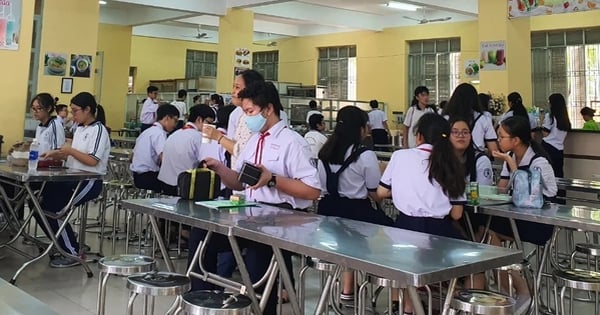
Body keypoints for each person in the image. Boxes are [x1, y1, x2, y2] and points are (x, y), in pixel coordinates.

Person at [204, 81, 320, 314]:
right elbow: (240, 181)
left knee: (259, 268)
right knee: (204, 239)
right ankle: (203, 297)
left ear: (268, 109)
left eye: (250, 112)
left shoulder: (292, 142)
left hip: (279, 219)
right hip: (252, 212)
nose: (247, 119)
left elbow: (312, 190)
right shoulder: (256, 139)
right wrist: (219, 168)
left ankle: (263, 307)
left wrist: (273, 180)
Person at [377, 113, 484, 314]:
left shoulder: (400, 156)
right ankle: (468, 307)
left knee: (400, 268)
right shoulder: (453, 163)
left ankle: (403, 307)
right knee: (475, 265)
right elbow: (457, 214)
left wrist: (404, 188)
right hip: (438, 235)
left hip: (404, 230)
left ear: (419, 137)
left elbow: (382, 192)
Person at [317, 106, 385, 302]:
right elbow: (375, 193)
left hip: (328, 211)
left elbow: (321, 184)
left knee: (343, 244)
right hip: (356, 212)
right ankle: (352, 286)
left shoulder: (325, 153)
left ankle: (345, 286)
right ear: (361, 129)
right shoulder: (364, 155)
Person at [488, 115, 558, 304]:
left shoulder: (538, 161)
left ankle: (520, 289)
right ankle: (509, 285)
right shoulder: (510, 156)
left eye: (501, 137)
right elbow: (502, 188)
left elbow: (551, 193)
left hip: (538, 222)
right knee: (483, 231)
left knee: (489, 236)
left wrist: (513, 167)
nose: (498, 140)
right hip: (517, 216)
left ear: (515, 140)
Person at [41, 92, 110, 268]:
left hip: (89, 181)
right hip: (72, 177)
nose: (73, 115)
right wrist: (56, 154)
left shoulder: (99, 130)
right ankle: (60, 245)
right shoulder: (80, 129)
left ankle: (72, 253)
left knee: (57, 210)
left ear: (88, 110)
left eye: (75, 111)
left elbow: (92, 160)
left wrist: (70, 151)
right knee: (40, 204)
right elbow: (74, 157)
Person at [202, 69, 265, 169]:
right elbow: (233, 147)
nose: (233, 91)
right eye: (233, 87)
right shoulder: (237, 113)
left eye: (237, 87)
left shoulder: (258, 116)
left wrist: (219, 137)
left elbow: (245, 151)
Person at [157, 105, 216, 196]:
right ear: (199, 119)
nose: (211, 127)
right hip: (185, 186)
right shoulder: (199, 137)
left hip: (166, 183)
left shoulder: (174, 134)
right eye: (209, 123)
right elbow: (207, 163)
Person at [130, 104, 179, 193]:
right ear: (167, 118)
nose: (175, 125)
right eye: (175, 121)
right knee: (173, 188)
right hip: (149, 177)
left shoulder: (146, 132)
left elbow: (132, 156)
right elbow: (164, 158)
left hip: (137, 176)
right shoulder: (160, 134)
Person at [445, 83, 499, 153]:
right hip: (476, 157)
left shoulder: (445, 118)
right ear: (475, 99)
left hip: (451, 157)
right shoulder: (483, 119)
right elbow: (493, 150)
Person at [449, 117, 493, 186]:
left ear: (470, 136)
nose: (460, 136)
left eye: (465, 132)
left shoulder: (481, 160)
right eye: (455, 132)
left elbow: (485, 192)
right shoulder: (441, 158)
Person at [541, 93, 571, 179]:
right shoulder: (565, 118)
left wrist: (541, 122)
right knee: (558, 174)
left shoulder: (550, 117)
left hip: (548, 147)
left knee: (547, 174)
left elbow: (545, 133)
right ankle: (560, 192)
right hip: (559, 149)